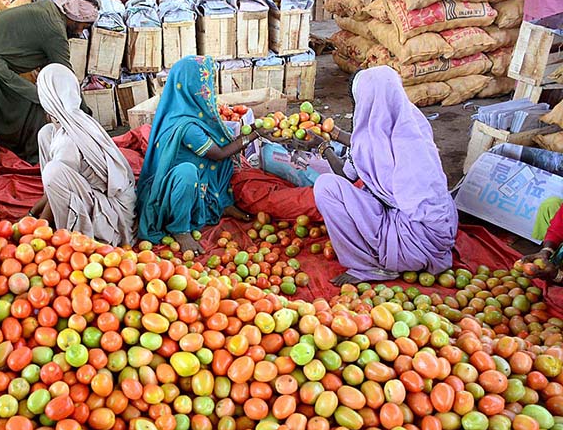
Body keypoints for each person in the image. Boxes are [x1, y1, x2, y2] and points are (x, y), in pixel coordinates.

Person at [295, 66, 458, 286]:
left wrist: (325, 148)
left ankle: (370, 265)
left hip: (412, 242)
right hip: (441, 232)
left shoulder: (368, 145)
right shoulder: (413, 124)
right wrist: (333, 135)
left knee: (326, 187)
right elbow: (372, 142)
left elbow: (347, 174)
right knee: (368, 193)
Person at [136, 56, 277, 253]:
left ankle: (221, 203)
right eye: (205, 85)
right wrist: (255, 134)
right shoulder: (187, 126)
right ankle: (180, 228)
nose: (209, 90)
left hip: (195, 175)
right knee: (190, 171)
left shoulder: (184, 109)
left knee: (221, 160)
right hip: (174, 189)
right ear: (192, 88)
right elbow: (218, 154)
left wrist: (253, 129)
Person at [0, 0, 98, 164]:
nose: (81, 32)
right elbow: (65, 76)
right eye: (83, 26)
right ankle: (34, 158)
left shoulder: (47, 10)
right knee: (37, 104)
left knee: (35, 97)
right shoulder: (55, 29)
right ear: (74, 17)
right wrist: (85, 114)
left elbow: (51, 69)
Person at [30, 64, 136, 246]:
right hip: (95, 194)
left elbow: (57, 180)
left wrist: (36, 227)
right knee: (46, 133)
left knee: (53, 171)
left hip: (113, 215)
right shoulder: (72, 121)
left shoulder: (67, 140)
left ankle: (73, 226)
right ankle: (57, 210)